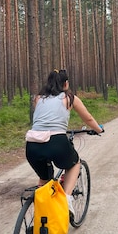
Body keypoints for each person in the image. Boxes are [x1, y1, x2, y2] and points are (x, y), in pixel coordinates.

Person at [25, 69, 104, 216]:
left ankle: (40, 215)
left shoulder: (38, 98)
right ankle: (66, 199)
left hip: (32, 144)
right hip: (56, 142)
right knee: (75, 163)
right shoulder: (69, 98)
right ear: (66, 83)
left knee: (44, 179)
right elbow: (88, 119)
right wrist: (99, 129)